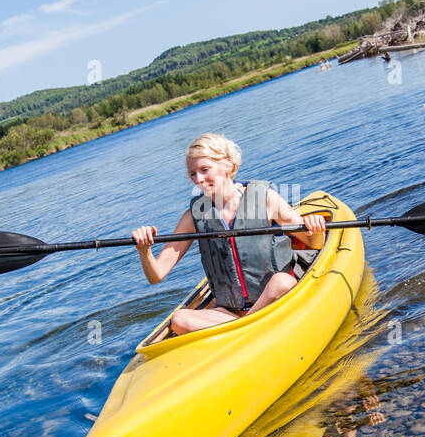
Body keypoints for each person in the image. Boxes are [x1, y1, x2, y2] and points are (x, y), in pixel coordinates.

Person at [132, 133, 327, 336]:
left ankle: (243, 327)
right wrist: (144, 250)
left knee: (282, 281)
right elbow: (157, 275)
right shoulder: (193, 217)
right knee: (180, 319)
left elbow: (314, 243)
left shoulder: (266, 199)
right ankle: (249, 326)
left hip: (275, 299)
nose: (198, 179)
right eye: (192, 174)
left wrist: (316, 227)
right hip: (228, 314)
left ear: (226, 164)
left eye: (204, 170)